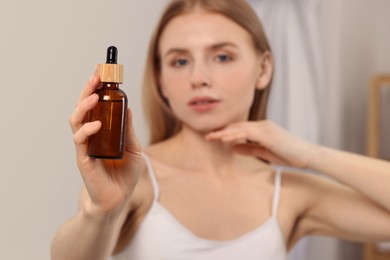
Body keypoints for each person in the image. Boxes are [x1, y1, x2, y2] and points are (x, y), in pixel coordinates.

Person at [51, 0, 390, 259]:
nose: (199, 77)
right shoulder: (131, 175)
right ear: (160, 80)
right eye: (180, 61)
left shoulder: (288, 193)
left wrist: (313, 155)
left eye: (223, 57)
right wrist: (100, 212)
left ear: (263, 68)